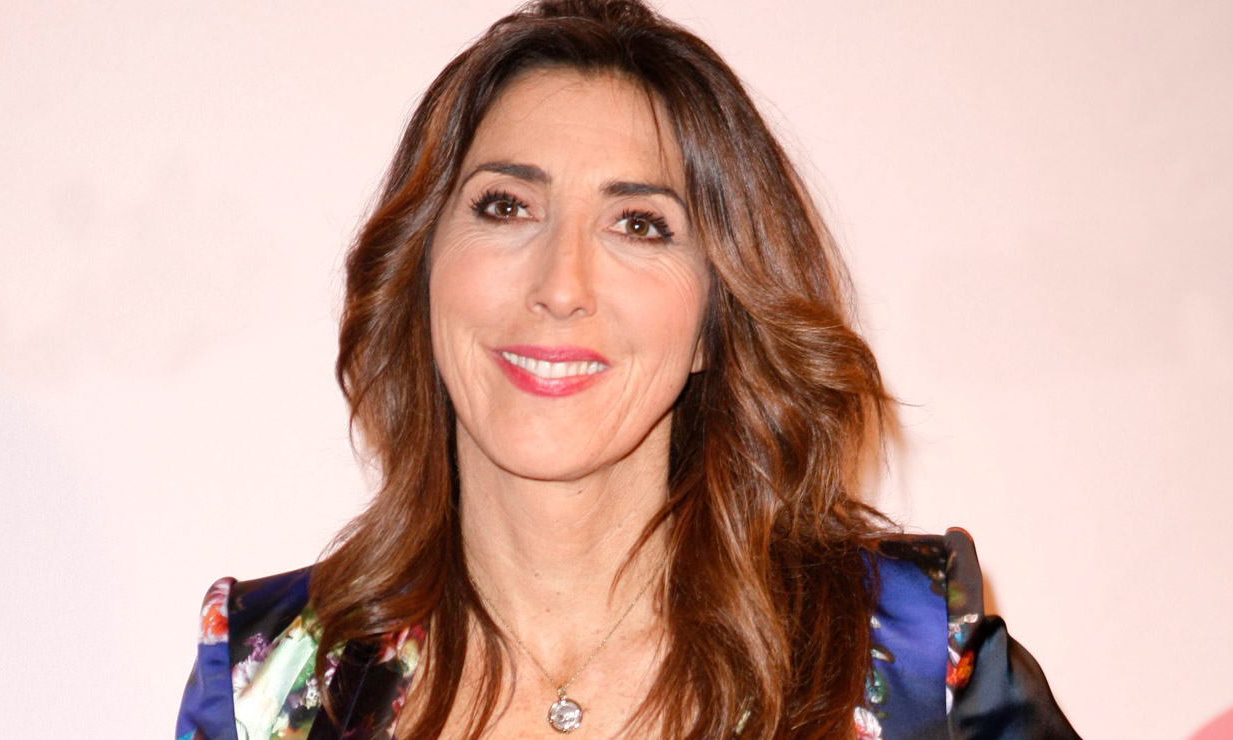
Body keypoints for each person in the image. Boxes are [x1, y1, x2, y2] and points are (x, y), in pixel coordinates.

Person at [176, 1, 1081, 738]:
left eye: (639, 225)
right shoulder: (268, 682)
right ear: (422, 272)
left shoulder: (909, 653)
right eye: (506, 206)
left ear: (713, 321)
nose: (560, 286)